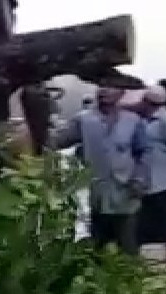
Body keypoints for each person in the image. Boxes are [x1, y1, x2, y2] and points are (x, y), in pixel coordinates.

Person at [51, 85, 148, 254]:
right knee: (98, 248)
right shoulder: (83, 120)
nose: (104, 91)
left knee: (128, 247)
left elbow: (143, 154)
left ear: (121, 93)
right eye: (101, 87)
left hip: (126, 194)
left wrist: (139, 180)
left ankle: (130, 275)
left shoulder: (133, 121)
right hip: (97, 195)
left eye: (110, 87)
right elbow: (57, 141)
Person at [133, 87, 166, 264]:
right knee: (141, 217)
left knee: (165, 216)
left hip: (162, 173)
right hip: (144, 174)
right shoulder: (143, 119)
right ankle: (137, 254)